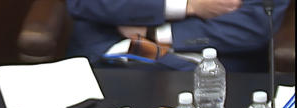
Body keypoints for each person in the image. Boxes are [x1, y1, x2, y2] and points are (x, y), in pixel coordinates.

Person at [66, 0, 291, 71]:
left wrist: (158, 34)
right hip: (113, 48)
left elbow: (254, 25)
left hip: (214, 63)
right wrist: (185, 6)